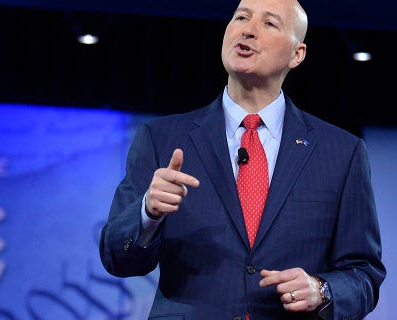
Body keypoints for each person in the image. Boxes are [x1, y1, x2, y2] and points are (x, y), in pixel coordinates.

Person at [98, 0, 386, 319]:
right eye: (241, 17)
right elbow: (116, 258)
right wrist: (148, 212)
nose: (248, 29)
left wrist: (322, 289)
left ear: (297, 53)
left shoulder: (341, 152)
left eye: (269, 23)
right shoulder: (161, 138)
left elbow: (364, 275)